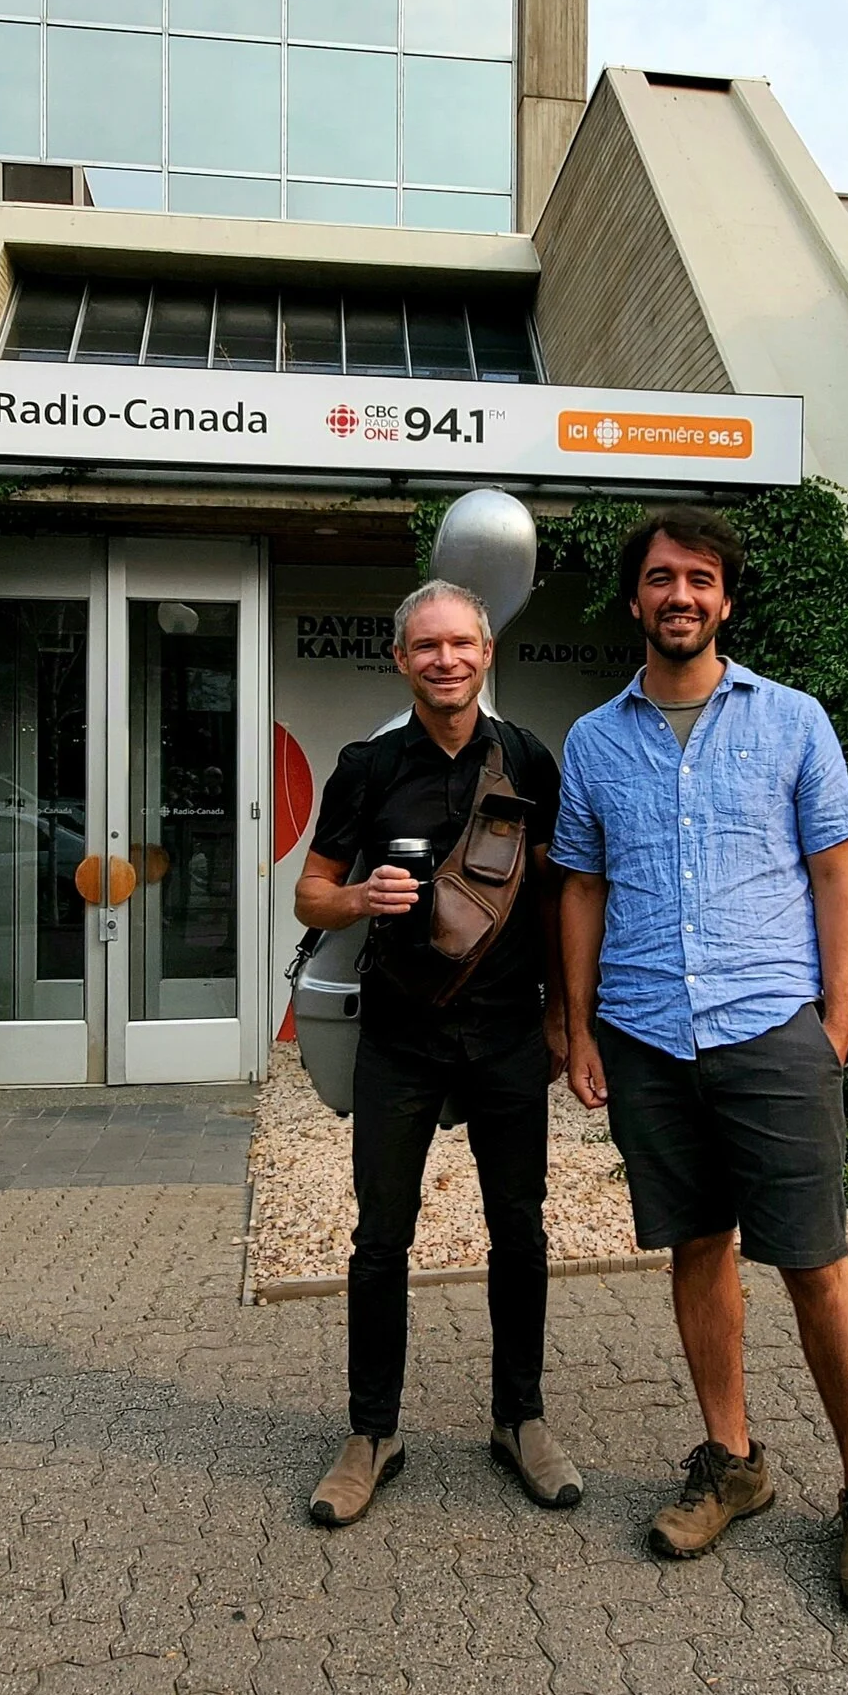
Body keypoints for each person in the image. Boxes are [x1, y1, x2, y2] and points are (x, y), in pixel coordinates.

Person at [554, 509, 848, 1617]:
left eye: (698, 580)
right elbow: (581, 886)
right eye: (659, 579)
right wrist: (575, 1027)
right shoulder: (591, 741)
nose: (679, 596)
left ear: (724, 601)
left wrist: (835, 1027)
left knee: (812, 1262)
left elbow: (836, 874)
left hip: (769, 1028)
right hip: (649, 1034)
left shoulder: (792, 720)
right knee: (697, 1248)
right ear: (633, 602)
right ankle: (734, 1461)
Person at [293, 578, 577, 1526]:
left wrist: (565, 1020)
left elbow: (556, 899)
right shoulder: (367, 767)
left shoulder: (532, 760)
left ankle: (520, 1420)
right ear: (401, 660)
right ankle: (372, 1433)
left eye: (461, 644)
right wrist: (357, 900)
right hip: (400, 1038)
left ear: (487, 654)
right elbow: (310, 894)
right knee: (381, 1240)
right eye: (427, 647)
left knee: (521, 1231)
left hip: (503, 1034)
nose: (445, 660)